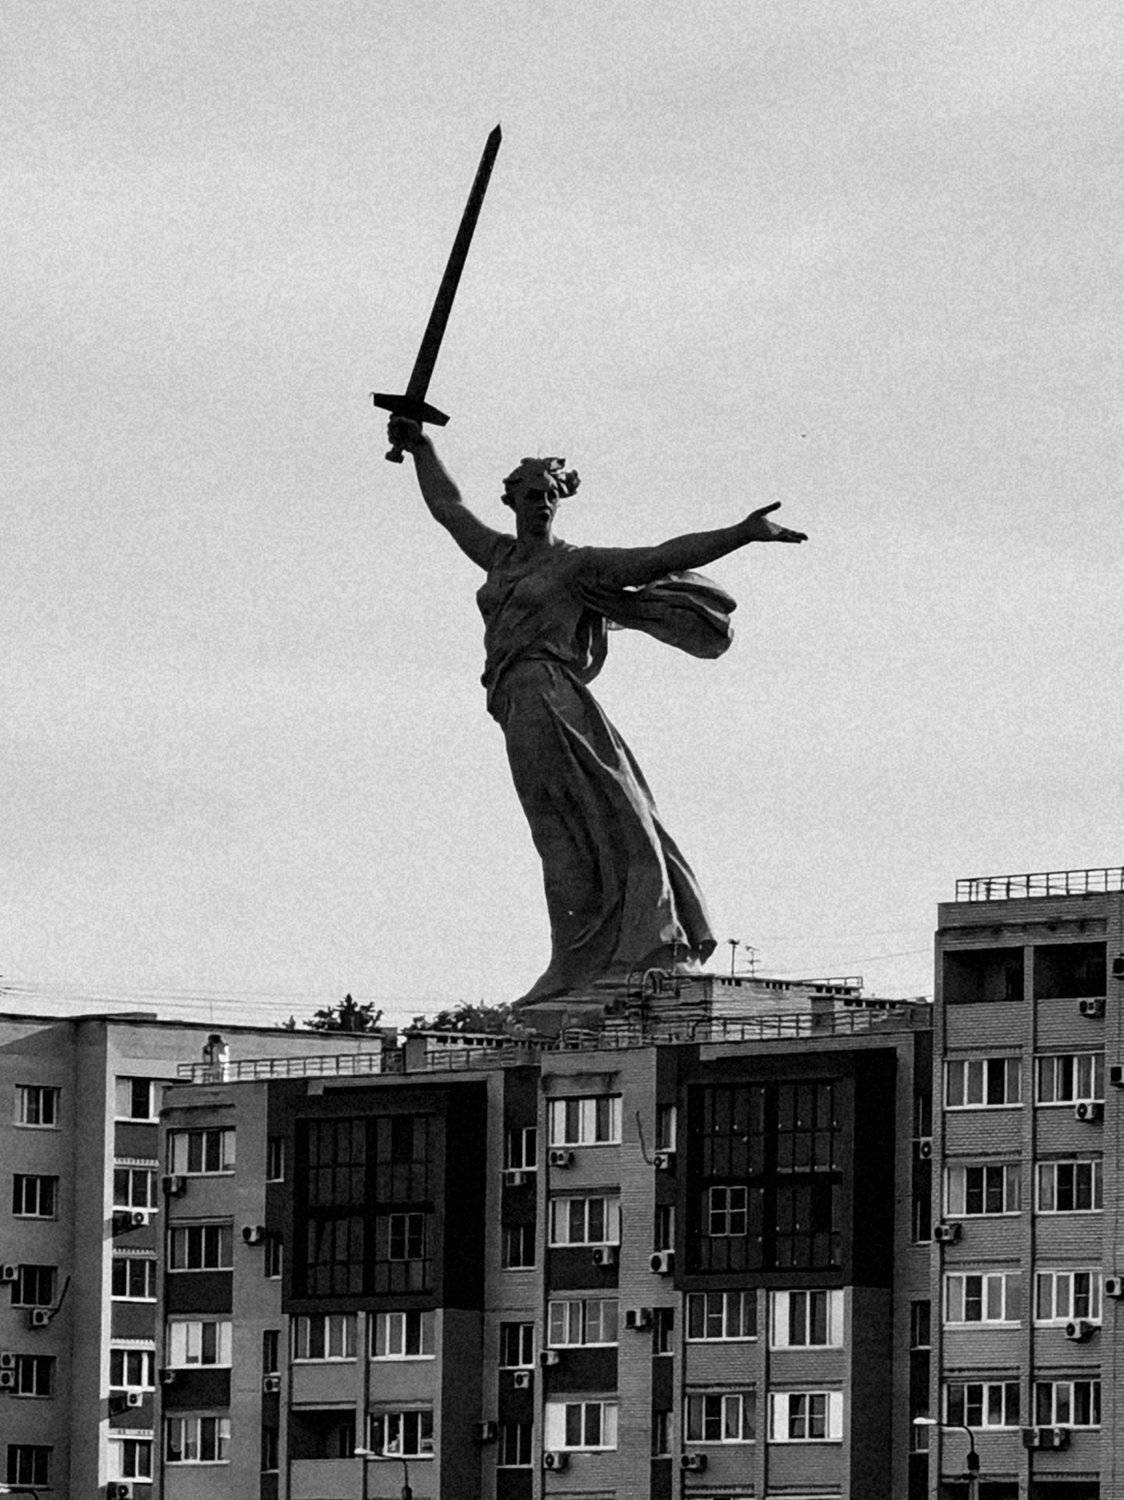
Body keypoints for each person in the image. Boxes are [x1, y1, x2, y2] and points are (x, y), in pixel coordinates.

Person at [387, 415, 807, 1006]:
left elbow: (659, 557)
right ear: (512, 501)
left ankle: (630, 947)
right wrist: (422, 447)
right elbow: (448, 507)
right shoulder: (499, 555)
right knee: (558, 832)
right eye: (531, 496)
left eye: (550, 496)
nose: (541, 505)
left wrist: (741, 533)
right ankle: (576, 956)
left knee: (606, 815)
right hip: (517, 703)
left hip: (553, 696)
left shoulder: (576, 564)